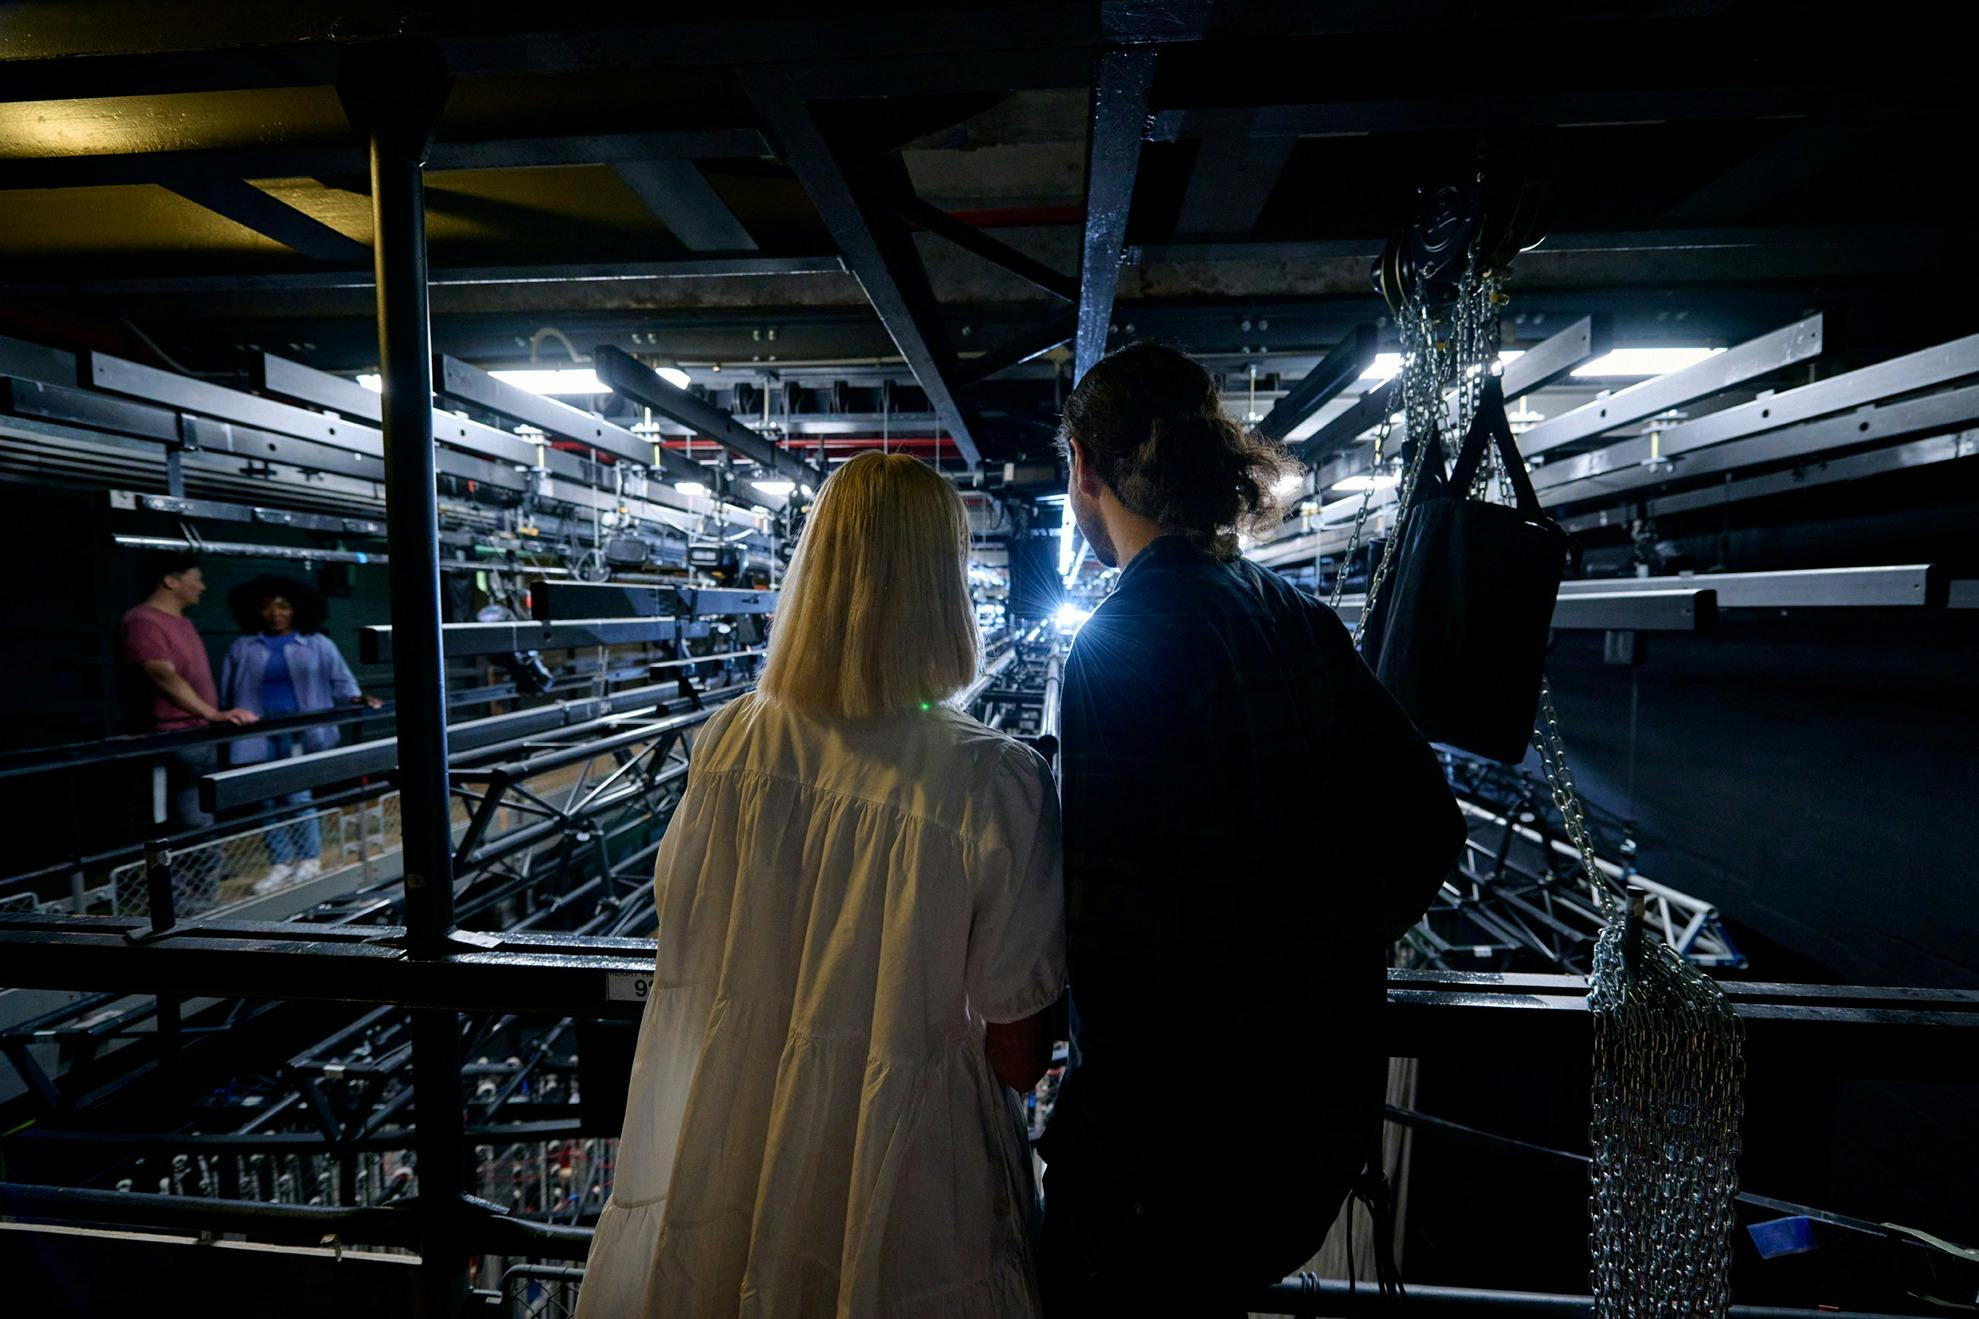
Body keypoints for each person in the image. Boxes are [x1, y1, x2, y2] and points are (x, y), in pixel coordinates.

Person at [576, 452, 1065, 1319]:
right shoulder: (993, 779)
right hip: (903, 1167)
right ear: (943, 586)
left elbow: (689, 940)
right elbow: (1018, 1052)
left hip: (732, 1130)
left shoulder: (728, 743)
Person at [1038, 343, 1466, 1313]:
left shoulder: (1118, 643)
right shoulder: (1296, 617)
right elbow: (1428, 824)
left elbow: (1118, 954)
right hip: (1302, 1128)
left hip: (1168, 1166)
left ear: (1084, 466)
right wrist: (1311, 957)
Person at [218, 574, 381, 893]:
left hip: (300, 733)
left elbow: (342, 684)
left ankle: (308, 859)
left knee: (298, 796)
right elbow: (227, 694)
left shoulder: (318, 644)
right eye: (266, 607)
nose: (275, 614)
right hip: (258, 734)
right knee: (267, 800)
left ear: (297, 609)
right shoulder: (243, 647)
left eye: (283, 606)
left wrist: (357, 699)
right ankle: (280, 863)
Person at [119, 550, 258, 831]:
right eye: (197, 579)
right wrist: (213, 713)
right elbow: (161, 674)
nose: (202, 587)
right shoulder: (143, 621)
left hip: (196, 734)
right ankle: (194, 873)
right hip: (172, 736)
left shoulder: (182, 622)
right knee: (189, 819)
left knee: (200, 814)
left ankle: (203, 872)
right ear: (171, 581)